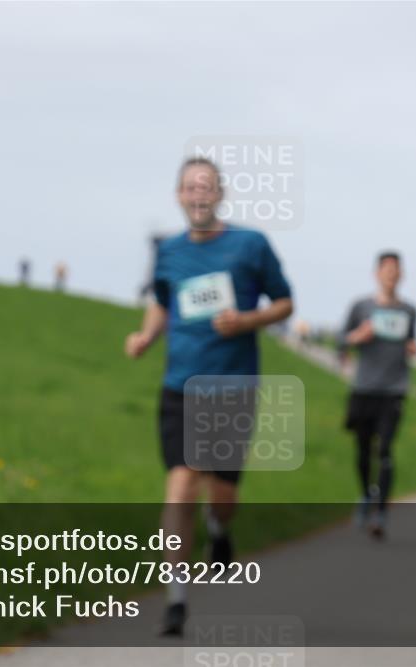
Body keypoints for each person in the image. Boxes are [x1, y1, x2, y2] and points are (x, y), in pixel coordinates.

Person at [124, 157, 293, 636]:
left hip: (232, 387)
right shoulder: (170, 253)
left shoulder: (250, 245)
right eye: (189, 187)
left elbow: (285, 302)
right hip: (180, 385)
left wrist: (247, 320)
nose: (198, 195)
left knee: (223, 494)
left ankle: (219, 530)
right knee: (181, 483)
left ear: (220, 195)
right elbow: (162, 301)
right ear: (179, 196)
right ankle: (176, 599)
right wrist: (145, 337)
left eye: (207, 187)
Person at [337, 251, 416, 538]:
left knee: (384, 450)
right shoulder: (361, 307)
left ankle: (381, 512)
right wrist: (357, 337)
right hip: (363, 388)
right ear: (377, 274)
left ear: (402, 275)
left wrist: (412, 349)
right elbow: (340, 341)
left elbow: (411, 342)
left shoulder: (409, 311)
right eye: (387, 270)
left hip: (393, 390)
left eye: (396, 271)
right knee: (362, 450)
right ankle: (365, 495)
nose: (391, 275)